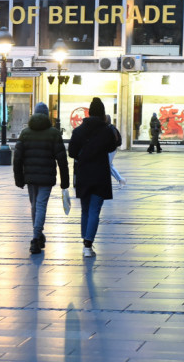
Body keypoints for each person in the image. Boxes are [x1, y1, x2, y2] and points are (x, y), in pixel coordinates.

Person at [13, 102, 70, 254]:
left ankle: (37, 235)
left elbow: (17, 158)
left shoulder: (25, 133)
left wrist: (19, 178)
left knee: (34, 205)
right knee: (41, 205)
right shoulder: (54, 133)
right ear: (46, 115)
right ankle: (36, 238)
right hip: (46, 177)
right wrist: (65, 181)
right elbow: (62, 159)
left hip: (30, 177)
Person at [68, 98, 118, 257]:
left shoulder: (78, 130)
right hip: (100, 174)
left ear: (89, 112)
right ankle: (88, 245)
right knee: (95, 210)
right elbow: (112, 146)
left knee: (85, 209)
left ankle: (85, 241)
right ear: (103, 114)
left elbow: (72, 153)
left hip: (83, 174)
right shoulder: (106, 130)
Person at [106, 115, 126, 187]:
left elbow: (115, 139)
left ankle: (121, 179)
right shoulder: (108, 127)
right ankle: (121, 180)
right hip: (110, 149)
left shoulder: (111, 128)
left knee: (108, 166)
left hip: (111, 149)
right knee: (109, 165)